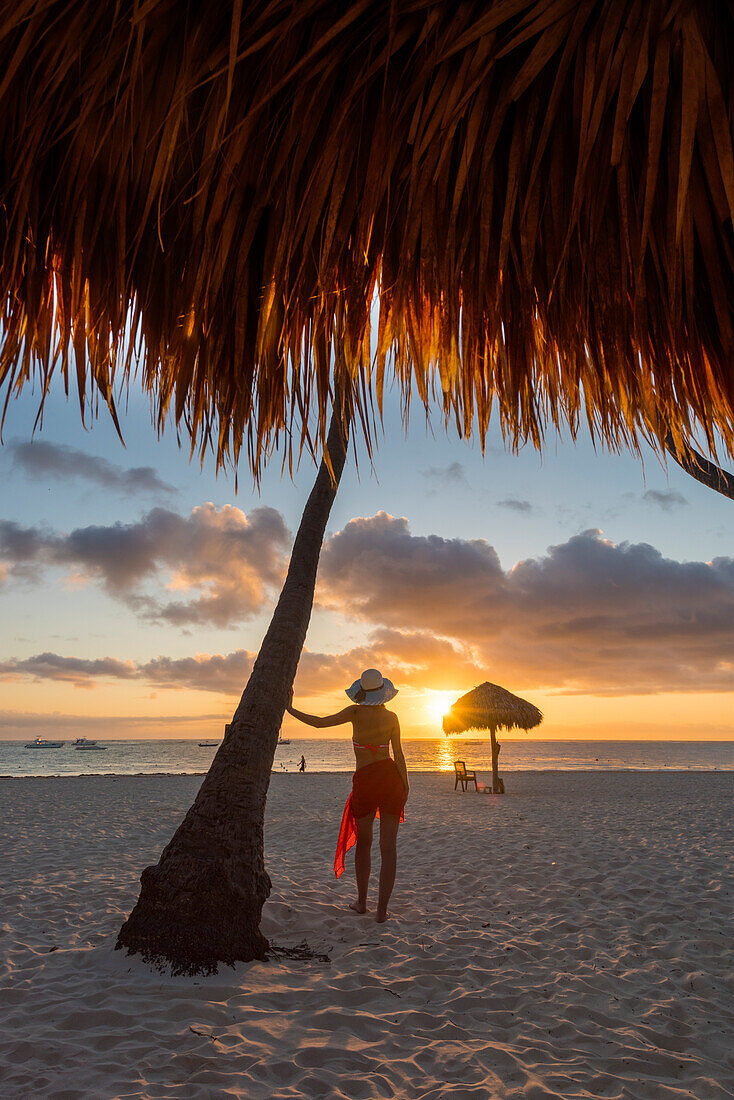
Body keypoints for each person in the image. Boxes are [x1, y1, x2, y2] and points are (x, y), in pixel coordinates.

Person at [286, 668, 408, 923]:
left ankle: (362, 903)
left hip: (365, 782)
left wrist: (291, 709)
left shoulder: (354, 712)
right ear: (384, 693)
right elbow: (399, 755)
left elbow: (320, 722)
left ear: (362, 692)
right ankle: (382, 912)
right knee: (389, 849)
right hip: (390, 780)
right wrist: (405, 787)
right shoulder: (393, 717)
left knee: (364, 844)